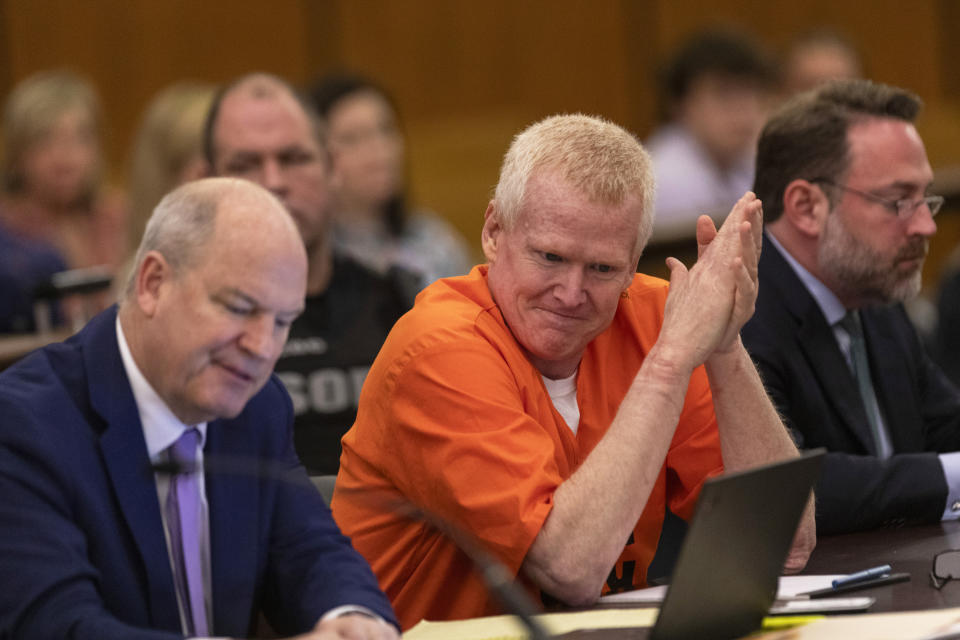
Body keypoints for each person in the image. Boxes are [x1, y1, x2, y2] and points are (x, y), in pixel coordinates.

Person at [332, 114, 814, 629]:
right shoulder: (439, 348)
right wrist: (671, 362)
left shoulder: (657, 318)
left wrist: (723, 345)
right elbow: (570, 567)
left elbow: (786, 544)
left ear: (634, 265)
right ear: (494, 233)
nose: (570, 293)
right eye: (550, 257)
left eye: (602, 269)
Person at [0, 178, 398, 639]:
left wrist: (351, 617)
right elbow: (59, 627)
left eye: (283, 321)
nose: (263, 347)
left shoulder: (256, 405)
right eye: (239, 307)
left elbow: (311, 551)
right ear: (153, 284)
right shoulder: (24, 426)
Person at [743, 79, 960, 535]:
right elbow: (792, 487)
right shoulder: (741, 315)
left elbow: (946, 426)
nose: (926, 226)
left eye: (926, 199)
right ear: (806, 207)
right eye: (900, 201)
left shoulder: (874, 293)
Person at [204, 73, 415, 475]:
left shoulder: (398, 302)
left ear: (333, 166)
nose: (274, 182)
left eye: (294, 158)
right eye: (246, 164)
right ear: (205, 180)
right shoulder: (185, 328)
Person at [308, 73, 473, 289]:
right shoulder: (309, 257)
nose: (379, 150)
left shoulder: (435, 243)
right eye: (352, 138)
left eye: (385, 130)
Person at [645, 28, 777, 239]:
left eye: (750, 92)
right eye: (723, 93)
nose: (742, 108)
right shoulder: (664, 177)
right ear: (680, 105)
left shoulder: (745, 159)